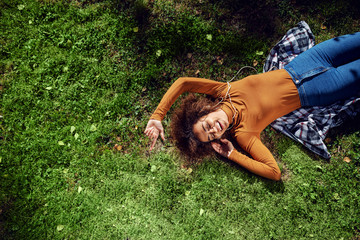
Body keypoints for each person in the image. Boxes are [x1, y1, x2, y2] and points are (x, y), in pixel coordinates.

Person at [144, 32, 360, 181]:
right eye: (211, 137)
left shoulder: (224, 91)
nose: (214, 130)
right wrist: (232, 155)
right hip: (320, 89)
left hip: (308, 61)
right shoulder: (244, 134)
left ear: (204, 112)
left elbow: (183, 83)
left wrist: (158, 115)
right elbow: (273, 171)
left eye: (206, 126)